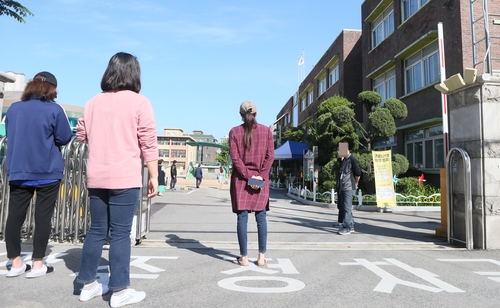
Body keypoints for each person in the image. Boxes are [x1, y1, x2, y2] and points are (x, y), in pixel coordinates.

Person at [75, 52, 159, 307]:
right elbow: (148, 140)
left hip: (97, 176)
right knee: (121, 233)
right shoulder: (139, 102)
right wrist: (154, 175)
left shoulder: (92, 103)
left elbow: (81, 135)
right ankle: (120, 290)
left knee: (97, 230)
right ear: (134, 73)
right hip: (125, 176)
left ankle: (87, 284)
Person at [4, 71, 72, 278]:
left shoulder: (14, 109)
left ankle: (15, 262)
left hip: (19, 169)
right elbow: (64, 137)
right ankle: (37, 264)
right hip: (47, 171)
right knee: (43, 217)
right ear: (52, 89)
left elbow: (9, 134)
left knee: (14, 217)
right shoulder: (54, 109)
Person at [229, 101, 274, 267]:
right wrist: (259, 177)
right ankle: (261, 258)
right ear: (256, 113)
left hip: (241, 180)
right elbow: (270, 157)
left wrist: (249, 177)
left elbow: (236, 159)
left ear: (241, 114)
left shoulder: (234, 132)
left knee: (242, 218)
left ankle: (244, 258)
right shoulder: (266, 131)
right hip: (261, 180)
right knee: (261, 218)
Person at [336, 142, 361, 235]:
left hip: (349, 187)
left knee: (347, 208)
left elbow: (358, 173)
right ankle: (350, 224)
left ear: (346, 150)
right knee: (345, 207)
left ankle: (347, 228)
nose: (339, 152)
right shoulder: (344, 160)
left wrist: (356, 182)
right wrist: (341, 159)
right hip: (343, 187)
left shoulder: (352, 159)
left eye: (340, 150)